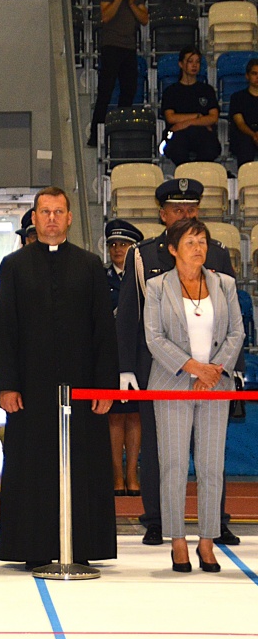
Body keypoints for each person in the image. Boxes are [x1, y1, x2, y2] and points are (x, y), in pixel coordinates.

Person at [0, 187, 119, 570]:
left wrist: (105, 386)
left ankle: (82, 547)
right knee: (32, 466)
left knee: (83, 464)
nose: (51, 218)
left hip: (82, 388)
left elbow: (103, 331)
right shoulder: (13, 266)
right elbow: (4, 331)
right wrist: (6, 385)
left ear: (69, 218)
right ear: (34, 218)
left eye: (58, 212)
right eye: (44, 212)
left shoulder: (89, 265)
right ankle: (32, 547)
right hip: (30, 390)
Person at [117, 178, 241, 547]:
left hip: (214, 374)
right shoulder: (143, 255)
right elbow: (130, 314)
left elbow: (231, 321)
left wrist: (223, 367)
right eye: (177, 209)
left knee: (211, 455)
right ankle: (157, 520)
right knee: (161, 452)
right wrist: (125, 367)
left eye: (191, 209)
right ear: (163, 214)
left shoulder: (215, 253)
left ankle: (215, 522)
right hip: (162, 369)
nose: (185, 214)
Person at [145, 218, 243, 574]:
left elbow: (236, 333)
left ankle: (207, 540)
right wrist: (193, 368)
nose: (198, 248)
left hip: (216, 385)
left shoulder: (224, 284)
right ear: (173, 249)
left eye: (202, 241)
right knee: (173, 466)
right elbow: (154, 337)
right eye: (190, 242)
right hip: (172, 384)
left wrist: (213, 369)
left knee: (211, 466)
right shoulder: (157, 286)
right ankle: (177, 540)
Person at [88, 0, 148, 148]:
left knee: (129, 91)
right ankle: (95, 136)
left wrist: (131, 1)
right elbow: (105, 16)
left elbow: (144, 19)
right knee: (105, 92)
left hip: (129, 47)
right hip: (112, 45)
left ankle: (121, 134)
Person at [104, 218, 144, 497]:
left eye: (124, 244)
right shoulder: (100, 277)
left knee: (136, 416)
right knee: (115, 417)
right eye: (113, 244)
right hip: (111, 355)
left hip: (138, 354)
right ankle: (117, 474)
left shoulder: (143, 277)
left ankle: (133, 473)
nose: (118, 249)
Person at [161, 46, 220, 165]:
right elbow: (171, 118)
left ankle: (200, 172)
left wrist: (186, 123)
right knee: (177, 150)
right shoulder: (171, 91)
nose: (194, 65)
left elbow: (213, 117)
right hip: (177, 134)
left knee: (210, 149)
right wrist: (198, 116)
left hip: (201, 133)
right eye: (190, 61)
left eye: (197, 62)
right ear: (181, 64)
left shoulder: (207, 90)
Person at [228, 58, 258, 164]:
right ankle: (244, 174)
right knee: (245, 143)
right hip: (244, 136)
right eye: (254, 73)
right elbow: (240, 123)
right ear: (247, 76)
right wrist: (254, 135)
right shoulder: (237, 98)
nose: (257, 77)